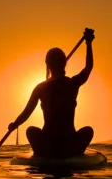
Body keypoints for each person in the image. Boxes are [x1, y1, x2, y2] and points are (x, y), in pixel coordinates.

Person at [8, 28, 95, 159]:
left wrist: (15, 124)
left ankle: (48, 152)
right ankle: (67, 152)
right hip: (66, 143)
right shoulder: (71, 83)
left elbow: (27, 112)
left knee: (30, 131)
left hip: (51, 143)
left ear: (48, 65)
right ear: (64, 63)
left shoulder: (42, 87)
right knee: (88, 131)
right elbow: (88, 68)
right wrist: (89, 44)